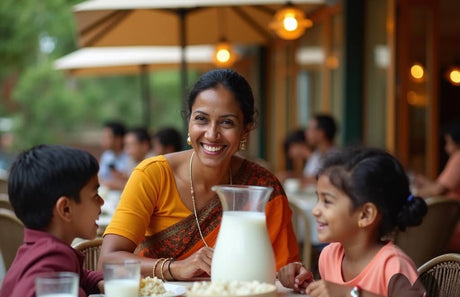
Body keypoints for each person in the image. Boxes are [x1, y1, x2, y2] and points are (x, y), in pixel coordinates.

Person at [99, 69, 300, 280]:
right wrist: (175, 268)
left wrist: (293, 275)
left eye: (227, 122)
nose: (212, 134)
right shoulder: (153, 176)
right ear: (189, 122)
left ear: (245, 130)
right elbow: (107, 260)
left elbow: (282, 272)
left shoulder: (263, 188)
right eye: (201, 119)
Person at [278, 147, 433, 297]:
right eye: (318, 199)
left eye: (327, 201)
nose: (315, 210)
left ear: (365, 214)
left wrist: (353, 295)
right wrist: (306, 284)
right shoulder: (329, 255)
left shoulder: (392, 264)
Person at [0, 145, 105, 297]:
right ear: (65, 208)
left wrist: (99, 281)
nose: (101, 203)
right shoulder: (52, 254)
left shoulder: (43, 248)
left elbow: (79, 277)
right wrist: (77, 294)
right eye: (95, 196)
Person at [414, 120, 460, 251]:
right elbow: (443, 186)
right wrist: (426, 183)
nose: (446, 148)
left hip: (452, 226)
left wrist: (413, 193)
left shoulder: (458, 158)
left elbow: (438, 190)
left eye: (448, 143)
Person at [301, 113, 338, 186]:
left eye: (310, 129)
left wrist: (292, 176)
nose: (306, 133)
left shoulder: (336, 157)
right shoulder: (316, 154)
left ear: (321, 133)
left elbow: (322, 180)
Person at [98, 121, 130, 190]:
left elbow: (129, 184)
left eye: (107, 137)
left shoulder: (130, 157)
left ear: (118, 139)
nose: (103, 140)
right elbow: (99, 178)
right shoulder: (106, 155)